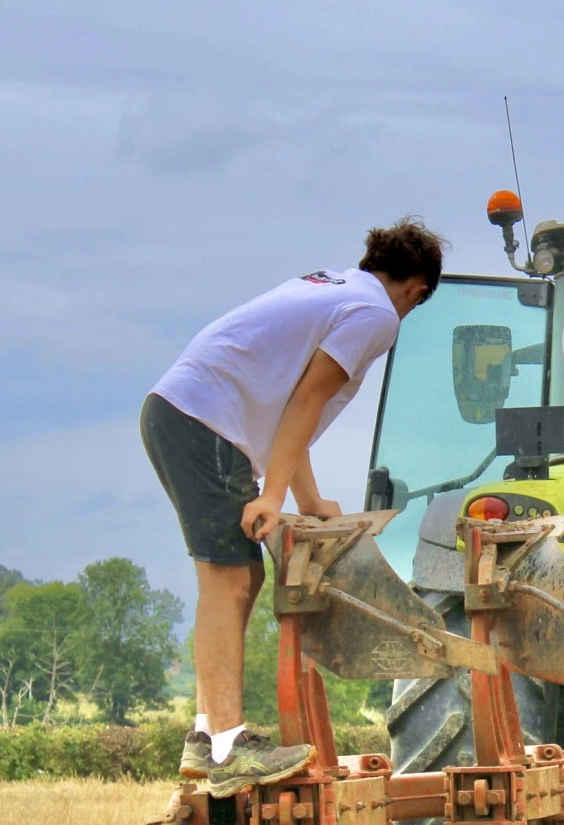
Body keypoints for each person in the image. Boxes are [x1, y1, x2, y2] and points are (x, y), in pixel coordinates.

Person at [142, 219, 443, 794]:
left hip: (184, 413)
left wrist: (307, 498)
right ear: (417, 291)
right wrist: (274, 497)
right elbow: (309, 397)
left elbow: (288, 407)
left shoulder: (331, 286)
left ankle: (207, 735)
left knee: (236, 579)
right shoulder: (377, 313)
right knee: (228, 581)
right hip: (202, 420)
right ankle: (229, 747)